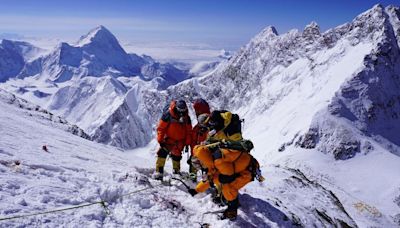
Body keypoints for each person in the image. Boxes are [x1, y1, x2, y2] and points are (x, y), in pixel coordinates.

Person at [188, 110, 256, 220]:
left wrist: (227, 178)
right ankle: (227, 199)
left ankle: (232, 209)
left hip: (246, 172)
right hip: (238, 166)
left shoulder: (218, 160)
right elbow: (210, 179)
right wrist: (196, 190)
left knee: (227, 187)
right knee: (222, 181)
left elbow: (227, 177)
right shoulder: (212, 161)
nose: (198, 168)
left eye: (198, 165)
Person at [153, 100, 192, 180]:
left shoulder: (186, 118)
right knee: (162, 153)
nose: (181, 112)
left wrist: (187, 142)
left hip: (180, 141)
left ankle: (176, 172)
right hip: (169, 139)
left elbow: (189, 131)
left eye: (183, 110)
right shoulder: (168, 115)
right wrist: (160, 140)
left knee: (176, 156)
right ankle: (159, 171)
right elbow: (161, 128)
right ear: (176, 108)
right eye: (180, 110)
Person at [188, 98, 211, 182]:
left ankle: (194, 180)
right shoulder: (198, 127)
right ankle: (197, 180)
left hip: (206, 155)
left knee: (203, 168)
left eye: (196, 110)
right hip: (203, 154)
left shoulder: (207, 125)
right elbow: (193, 141)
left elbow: (194, 141)